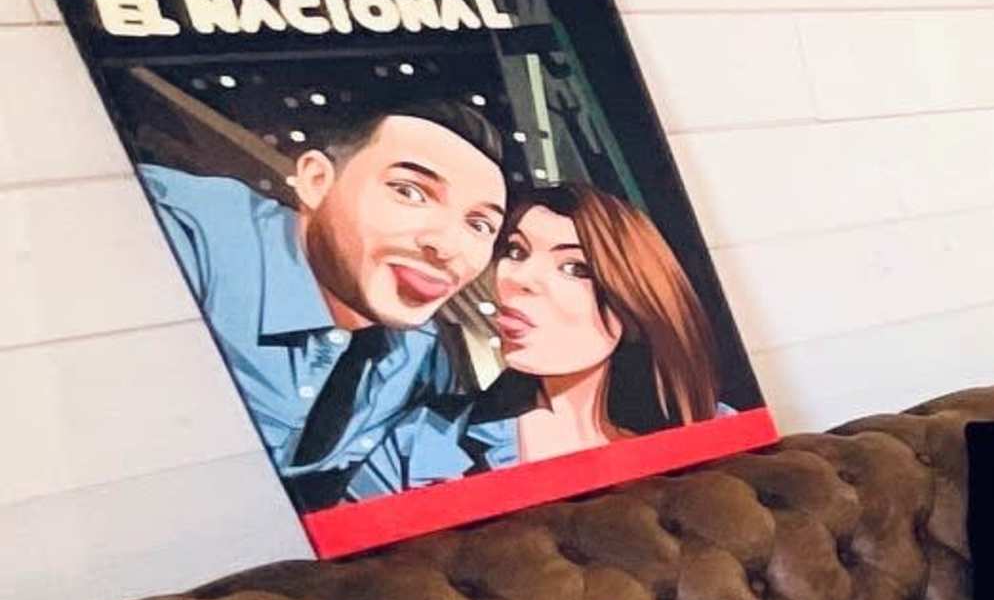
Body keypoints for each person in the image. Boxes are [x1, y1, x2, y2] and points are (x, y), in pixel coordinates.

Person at [132, 89, 513, 509]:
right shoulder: (175, 234)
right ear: (316, 181)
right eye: (409, 191)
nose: (446, 246)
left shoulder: (424, 354)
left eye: (479, 224)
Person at [479, 181, 729, 460]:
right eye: (516, 252)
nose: (519, 277)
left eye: (574, 268)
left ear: (633, 300)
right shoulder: (437, 441)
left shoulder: (714, 430)